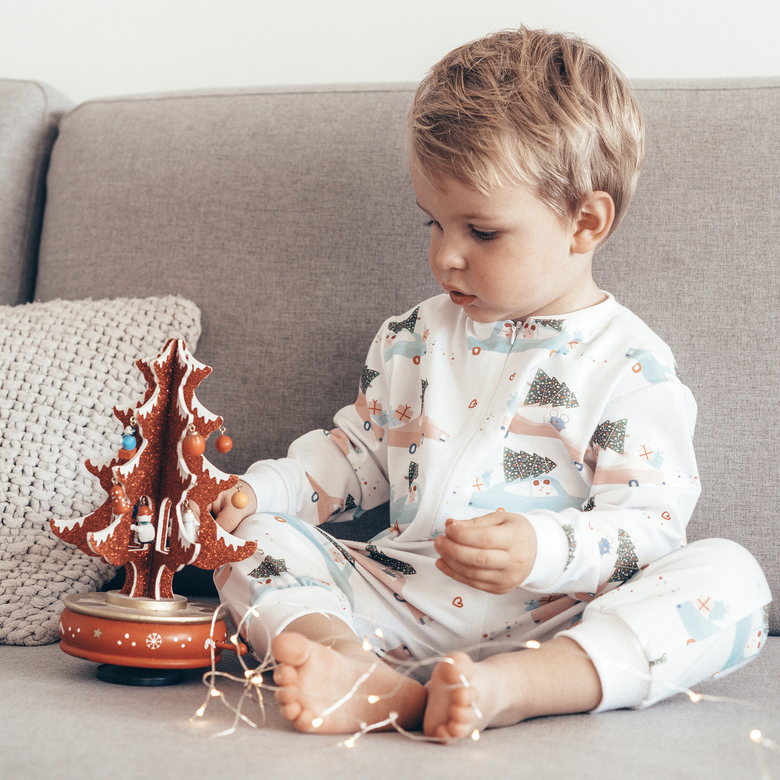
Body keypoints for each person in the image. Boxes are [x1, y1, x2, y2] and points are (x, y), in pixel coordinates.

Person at [211, 26, 771, 743]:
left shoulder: (632, 367)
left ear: (585, 222)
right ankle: (352, 670)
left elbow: (651, 533)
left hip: (560, 620)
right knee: (253, 539)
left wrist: (545, 548)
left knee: (733, 582)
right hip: (395, 601)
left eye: (481, 232)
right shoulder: (411, 338)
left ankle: (509, 690)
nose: (446, 256)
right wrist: (265, 490)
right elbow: (353, 458)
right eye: (434, 223)